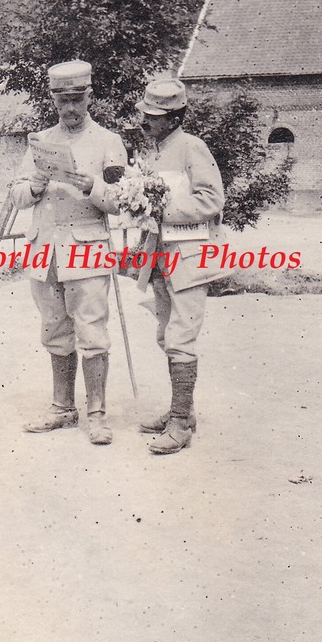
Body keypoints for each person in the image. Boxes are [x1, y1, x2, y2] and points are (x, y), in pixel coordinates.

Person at [12, 60, 127, 445]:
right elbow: (15, 195)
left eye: (77, 99)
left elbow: (122, 202)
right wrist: (35, 185)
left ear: (89, 96)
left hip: (88, 249)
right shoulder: (40, 141)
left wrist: (93, 185)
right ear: (53, 100)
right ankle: (63, 407)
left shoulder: (108, 142)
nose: (71, 109)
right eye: (63, 101)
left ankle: (96, 414)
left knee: (92, 332)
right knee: (55, 331)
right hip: (45, 251)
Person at [134, 76, 227, 456]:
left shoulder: (192, 147)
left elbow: (211, 199)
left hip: (189, 258)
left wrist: (162, 209)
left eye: (154, 117)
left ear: (174, 118)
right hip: (161, 256)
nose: (146, 122)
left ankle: (179, 425)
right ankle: (182, 412)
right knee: (164, 334)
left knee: (180, 338)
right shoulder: (155, 152)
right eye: (146, 114)